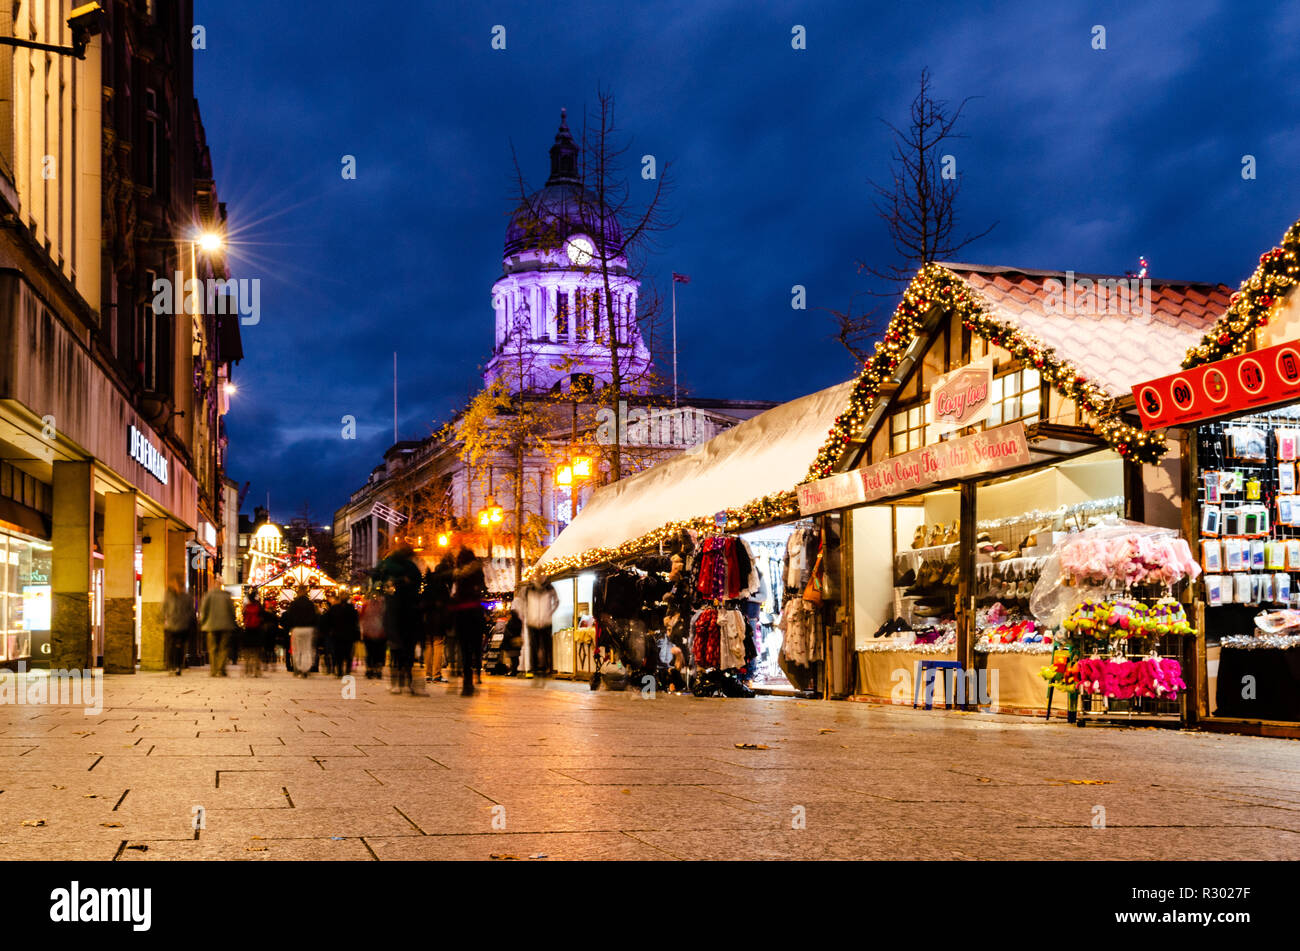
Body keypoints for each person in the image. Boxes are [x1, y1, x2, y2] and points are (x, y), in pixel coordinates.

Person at [376, 545, 424, 695]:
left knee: (396, 652)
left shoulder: (389, 567)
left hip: (396, 615)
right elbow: (417, 583)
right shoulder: (411, 568)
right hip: (410, 614)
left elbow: (378, 577)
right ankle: (407, 682)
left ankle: (396, 682)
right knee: (408, 651)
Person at [449, 546, 488, 696]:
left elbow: (454, 593)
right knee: (476, 647)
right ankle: (476, 673)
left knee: (464, 649)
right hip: (475, 613)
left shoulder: (457, 574)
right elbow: (483, 589)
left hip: (461, 614)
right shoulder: (478, 571)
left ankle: (467, 682)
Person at [513, 577, 560, 677]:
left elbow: (556, 601)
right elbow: (522, 604)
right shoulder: (528, 589)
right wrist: (527, 615)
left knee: (546, 646)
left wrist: (549, 613)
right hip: (533, 622)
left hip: (545, 622)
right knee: (533, 646)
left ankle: (547, 668)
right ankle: (533, 669)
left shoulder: (549, 588)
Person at [423, 555, 454, 684]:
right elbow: (447, 606)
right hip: (438, 620)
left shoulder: (428, 586)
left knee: (428, 645)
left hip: (427, 620)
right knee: (438, 644)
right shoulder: (443, 588)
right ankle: (436, 674)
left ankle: (428, 674)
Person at [198, 585, 238, 677]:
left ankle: (214, 670)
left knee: (213, 648)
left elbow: (204, 610)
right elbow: (232, 612)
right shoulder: (227, 597)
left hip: (211, 626)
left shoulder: (208, 596)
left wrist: (203, 623)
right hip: (225, 626)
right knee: (223, 648)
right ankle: (221, 669)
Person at [283, 585, 320, 678]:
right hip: (308, 628)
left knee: (297, 650)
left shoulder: (294, 604)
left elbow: (289, 617)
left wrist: (289, 628)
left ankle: (298, 668)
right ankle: (306, 669)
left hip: (297, 629)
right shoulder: (310, 604)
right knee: (307, 649)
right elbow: (315, 617)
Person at [324, 590, 360, 677]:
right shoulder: (351, 608)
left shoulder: (334, 608)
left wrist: (329, 630)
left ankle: (340, 670)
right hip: (348, 634)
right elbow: (355, 621)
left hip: (338, 634)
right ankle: (346, 670)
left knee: (338, 653)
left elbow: (328, 620)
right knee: (347, 653)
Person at [162, 578, 193, 676]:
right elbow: (163, 608)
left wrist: (187, 620)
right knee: (171, 647)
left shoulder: (187, 597)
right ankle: (172, 666)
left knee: (180, 647)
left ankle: (178, 666)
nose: (178, 588)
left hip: (182, 626)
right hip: (171, 626)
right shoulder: (169, 596)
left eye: (180, 586)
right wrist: (166, 618)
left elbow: (191, 611)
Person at [358, 591, 387, 678]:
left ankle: (370, 669)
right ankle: (378, 669)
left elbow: (361, 619)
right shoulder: (383, 606)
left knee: (370, 652)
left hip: (368, 634)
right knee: (379, 652)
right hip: (381, 634)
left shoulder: (365, 605)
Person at [240, 591, 266, 677]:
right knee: (256, 652)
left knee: (247, 652)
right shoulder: (259, 606)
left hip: (248, 631)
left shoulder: (246, 607)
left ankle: (247, 670)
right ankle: (257, 671)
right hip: (257, 631)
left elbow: (244, 617)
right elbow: (262, 618)